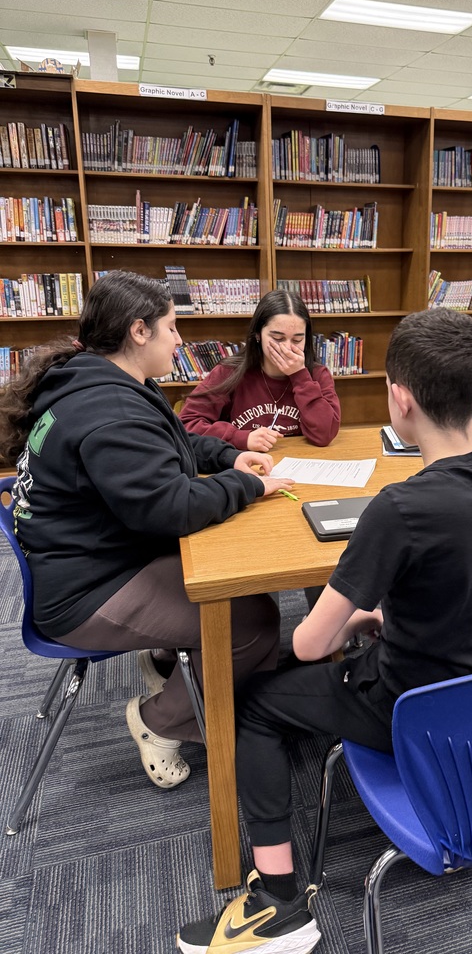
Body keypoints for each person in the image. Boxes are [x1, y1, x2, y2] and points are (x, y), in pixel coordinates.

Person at [177, 307, 472, 954]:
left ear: (399, 400)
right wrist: (383, 610)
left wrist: (354, 612)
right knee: (351, 633)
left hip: (409, 706)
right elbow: (467, 565)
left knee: (255, 703)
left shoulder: (398, 510)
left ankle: (279, 903)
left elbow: (315, 644)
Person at [0, 271, 295, 790]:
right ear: (139, 331)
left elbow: (174, 443)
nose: (179, 340)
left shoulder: (100, 380)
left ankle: (170, 657)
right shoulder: (109, 411)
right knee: (252, 621)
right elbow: (172, 508)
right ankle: (159, 721)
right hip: (86, 593)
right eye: (172, 328)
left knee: (231, 580)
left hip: (93, 559)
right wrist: (248, 487)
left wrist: (229, 454)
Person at [179, 289, 340, 452]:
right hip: (244, 466)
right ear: (258, 334)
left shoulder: (317, 375)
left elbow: (324, 435)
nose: (287, 348)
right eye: (278, 338)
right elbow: (187, 424)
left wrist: (300, 376)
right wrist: (240, 437)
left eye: (297, 339)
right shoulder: (229, 371)